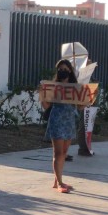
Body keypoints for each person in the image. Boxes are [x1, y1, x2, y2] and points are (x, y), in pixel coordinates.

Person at [40, 59, 79, 193]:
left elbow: (80, 106)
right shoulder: (53, 87)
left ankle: (57, 180)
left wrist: (90, 99)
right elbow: (46, 106)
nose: (62, 72)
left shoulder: (75, 87)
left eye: (65, 69)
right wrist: (42, 96)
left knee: (64, 153)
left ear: (70, 71)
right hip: (56, 120)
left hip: (69, 121)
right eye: (60, 69)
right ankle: (60, 183)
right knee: (57, 152)